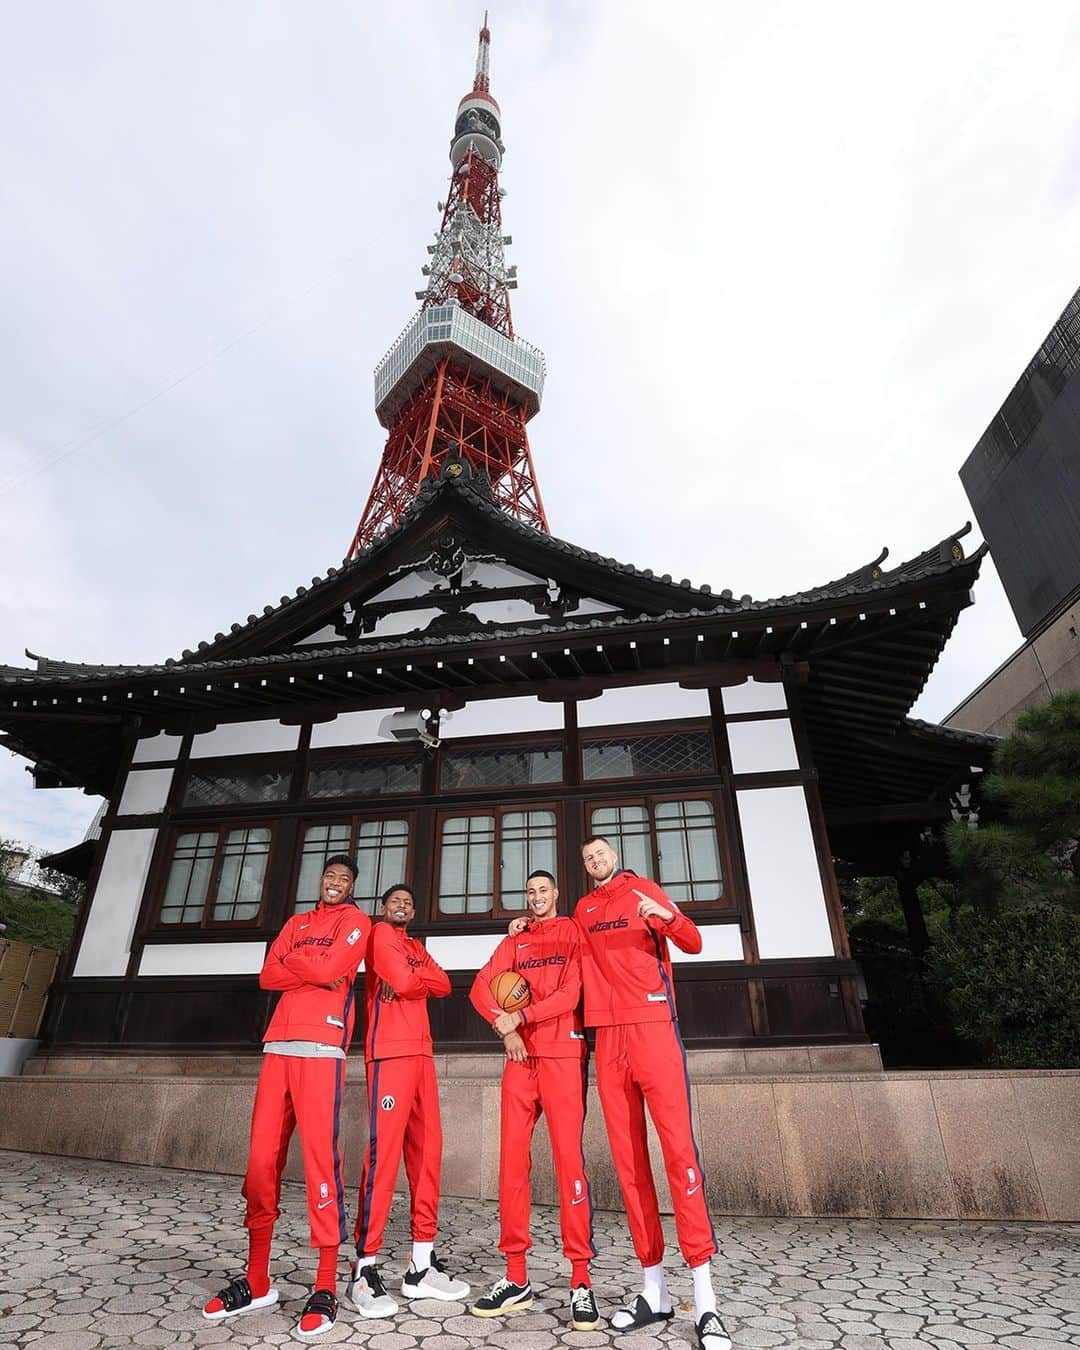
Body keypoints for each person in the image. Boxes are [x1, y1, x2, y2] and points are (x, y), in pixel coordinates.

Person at [572, 835, 732, 1350]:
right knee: (628, 1164)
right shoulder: (582, 908)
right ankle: (654, 1290)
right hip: (608, 1036)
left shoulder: (644, 888)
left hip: (653, 1026)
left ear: (614, 856)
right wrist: (525, 928)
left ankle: (706, 1302)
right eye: (587, 858)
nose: (595, 862)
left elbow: (694, 942)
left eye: (601, 854)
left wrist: (661, 914)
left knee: (679, 1156)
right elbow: (565, 951)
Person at [202, 855, 370, 1339]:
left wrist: (301, 964)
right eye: (329, 877)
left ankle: (324, 1286)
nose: (335, 884)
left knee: (321, 1163)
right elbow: (266, 975)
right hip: (277, 1046)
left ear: (352, 886)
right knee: (259, 1164)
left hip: (322, 1048)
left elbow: (333, 968)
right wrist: (311, 967)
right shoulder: (296, 922)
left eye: (344, 879)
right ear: (319, 880)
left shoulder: (356, 922)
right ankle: (257, 1280)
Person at [467, 869, 599, 1331]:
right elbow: (481, 986)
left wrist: (520, 1016)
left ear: (556, 894)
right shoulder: (516, 939)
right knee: (512, 1166)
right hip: (519, 1060)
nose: (537, 897)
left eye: (544, 890)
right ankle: (516, 1278)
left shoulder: (574, 932)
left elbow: (573, 992)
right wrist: (506, 1029)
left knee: (569, 1165)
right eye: (530, 891)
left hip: (563, 1054)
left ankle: (580, 1282)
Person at [348, 883, 470, 1317]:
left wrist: (406, 981)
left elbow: (444, 984)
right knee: (384, 1158)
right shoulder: (380, 935)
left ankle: (420, 1266)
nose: (402, 905)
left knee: (427, 1154)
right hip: (390, 1053)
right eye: (395, 901)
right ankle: (364, 1268)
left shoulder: (414, 945)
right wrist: (406, 980)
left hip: (422, 1054)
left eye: (409, 901)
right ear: (383, 909)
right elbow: (405, 979)